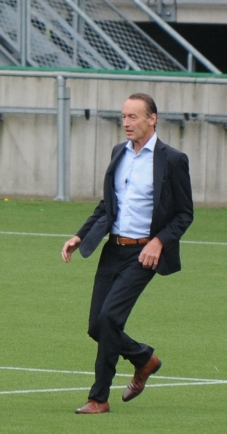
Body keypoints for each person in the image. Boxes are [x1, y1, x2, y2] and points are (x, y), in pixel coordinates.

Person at [61, 93, 193, 414]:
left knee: (109, 319)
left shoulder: (173, 160)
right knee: (96, 326)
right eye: (123, 117)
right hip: (113, 250)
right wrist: (80, 235)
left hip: (143, 256)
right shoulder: (119, 153)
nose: (126, 123)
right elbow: (107, 205)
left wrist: (158, 242)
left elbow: (184, 214)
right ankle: (144, 358)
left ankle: (99, 398)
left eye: (133, 117)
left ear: (152, 119)